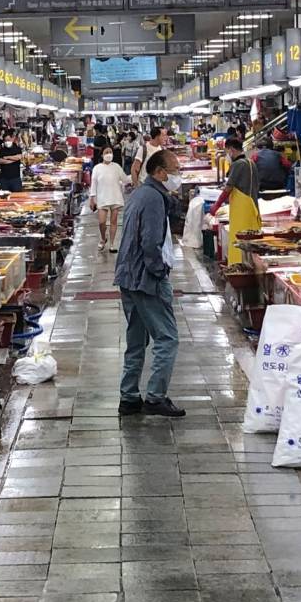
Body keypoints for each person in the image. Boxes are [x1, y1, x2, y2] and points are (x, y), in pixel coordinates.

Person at [114, 149, 184, 420]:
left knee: (136, 340)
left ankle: (129, 397)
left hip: (127, 276)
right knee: (167, 338)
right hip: (145, 278)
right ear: (160, 172)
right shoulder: (154, 198)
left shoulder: (139, 193)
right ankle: (155, 397)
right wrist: (159, 272)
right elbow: (150, 242)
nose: (178, 175)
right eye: (175, 169)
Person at [221, 129, 261, 267]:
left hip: (241, 211)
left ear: (231, 149)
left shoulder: (237, 164)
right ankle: (252, 266)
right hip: (252, 207)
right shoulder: (251, 162)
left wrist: (216, 205)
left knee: (239, 239)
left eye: (227, 151)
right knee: (251, 239)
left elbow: (228, 187)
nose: (227, 155)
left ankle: (239, 265)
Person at [89, 142, 128, 251]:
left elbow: (125, 179)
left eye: (110, 152)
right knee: (102, 222)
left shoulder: (116, 167)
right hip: (102, 198)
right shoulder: (97, 168)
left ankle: (112, 244)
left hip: (115, 196)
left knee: (114, 221)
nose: (109, 154)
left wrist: (136, 175)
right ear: (102, 155)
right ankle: (103, 238)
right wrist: (92, 198)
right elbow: (94, 184)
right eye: (106, 152)